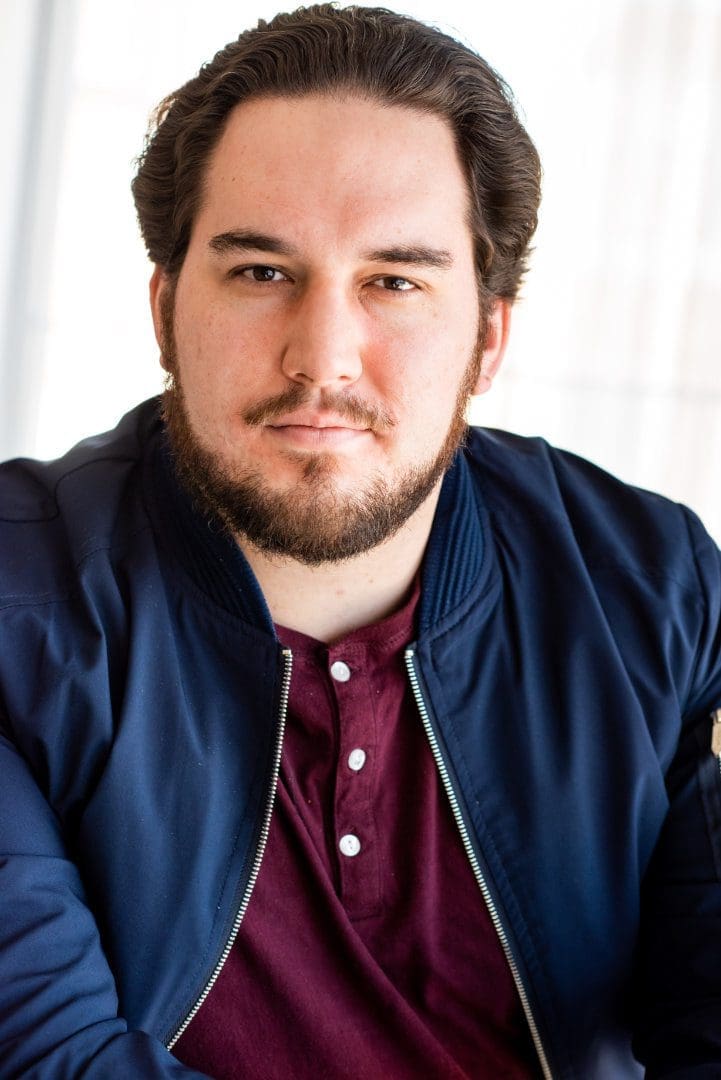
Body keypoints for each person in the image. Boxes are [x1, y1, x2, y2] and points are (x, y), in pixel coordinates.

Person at [1, 4, 720, 1077]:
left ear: (487, 335)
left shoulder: (656, 589)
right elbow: (48, 1062)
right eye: (259, 272)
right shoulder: (18, 603)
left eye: (394, 280)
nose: (322, 355)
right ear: (163, 311)